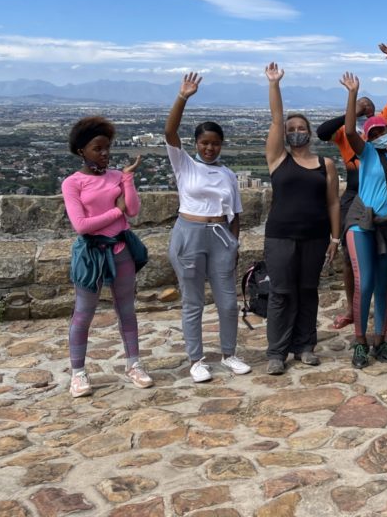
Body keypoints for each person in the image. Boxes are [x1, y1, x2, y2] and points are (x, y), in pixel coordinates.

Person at [165, 73, 251, 382]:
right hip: (189, 234)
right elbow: (170, 131)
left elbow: (235, 214)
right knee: (193, 302)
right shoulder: (185, 165)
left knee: (227, 303)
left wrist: (234, 243)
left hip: (220, 238)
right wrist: (183, 97)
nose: (209, 148)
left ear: (221, 145)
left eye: (215, 144)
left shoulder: (228, 174)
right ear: (196, 144)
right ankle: (196, 359)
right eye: (204, 143)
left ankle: (229, 354)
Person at [317, 44, 387, 330]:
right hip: (354, 195)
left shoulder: (381, 124)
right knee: (350, 254)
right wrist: (353, 107)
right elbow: (322, 131)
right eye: (363, 107)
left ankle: (379, 315)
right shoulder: (347, 133)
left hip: (382, 195)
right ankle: (353, 309)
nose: (367, 108)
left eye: (369, 106)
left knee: (382, 255)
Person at [61, 117, 151, 397]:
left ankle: (133, 364)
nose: (104, 153)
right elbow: (81, 226)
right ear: (81, 151)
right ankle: (78, 373)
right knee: (83, 313)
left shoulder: (115, 177)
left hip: (120, 250)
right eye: (97, 148)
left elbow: (132, 210)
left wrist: (128, 179)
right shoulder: (73, 183)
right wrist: (116, 211)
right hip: (91, 255)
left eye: (107, 147)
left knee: (127, 310)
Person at [263, 63, 341, 375]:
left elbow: (333, 202)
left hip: (316, 236)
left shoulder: (326, 164)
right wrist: (274, 84)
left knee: (308, 291)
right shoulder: (277, 158)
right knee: (281, 293)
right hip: (281, 235)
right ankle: (277, 352)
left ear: (309, 132)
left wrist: (335, 238)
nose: (296, 131)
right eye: (291, 128)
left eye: (301, 128)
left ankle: (305, 346)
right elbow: (276, 119)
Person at [339, 71, 387, 368]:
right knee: (364, 281)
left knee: (383, 284)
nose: (380, 136)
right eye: (374, 133)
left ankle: (380, 340)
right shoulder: (365, 153)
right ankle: (360, 342)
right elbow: (349, 130)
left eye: (383, 131)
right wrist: (353, 94)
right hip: (361, 222)